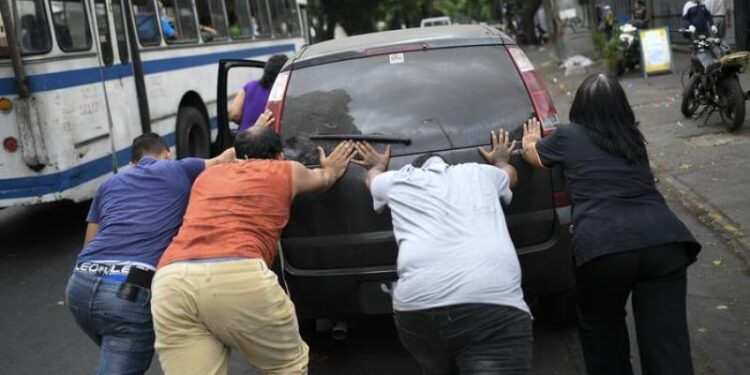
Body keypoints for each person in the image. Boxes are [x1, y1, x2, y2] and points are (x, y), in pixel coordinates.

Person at [521, 73, 701, 375]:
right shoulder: (632, 138)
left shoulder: (568, 135)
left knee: (602, 331)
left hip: (603, 249)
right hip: (664, 244)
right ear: (622, 107)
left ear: (579, 107)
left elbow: (534, 158)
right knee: (667, 343)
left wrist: (529, 142)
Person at [150, 127, 355, 375]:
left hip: (170, 281)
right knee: (286, 366)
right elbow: (324, 179)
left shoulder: (207, 177)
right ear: (279, 156)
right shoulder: (285, 170)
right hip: (237, 273)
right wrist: (331, 167)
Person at [353, 132, 533, 374]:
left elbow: (372, 180)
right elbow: (510, 176)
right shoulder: (481, 173)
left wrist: (376, 166)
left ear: (413, 169)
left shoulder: (397, 180)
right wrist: (501, 161)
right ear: (447, 165)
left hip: (417, 308)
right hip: (491, 305)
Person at [65, 133, 236, 374]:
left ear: (132, 164)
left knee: (113, 351)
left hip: (80, 285)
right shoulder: (178, 168)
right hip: (128, 293)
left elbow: (89, 242)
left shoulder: (108, 184)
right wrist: (258, 126)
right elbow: (225, 158)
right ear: (167, 154)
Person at [229, 54, 289, 132]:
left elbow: (234, 114)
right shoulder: (283, 91)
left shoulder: (249, 86)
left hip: (243, 139)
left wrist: (250, 126)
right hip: (265, 140)